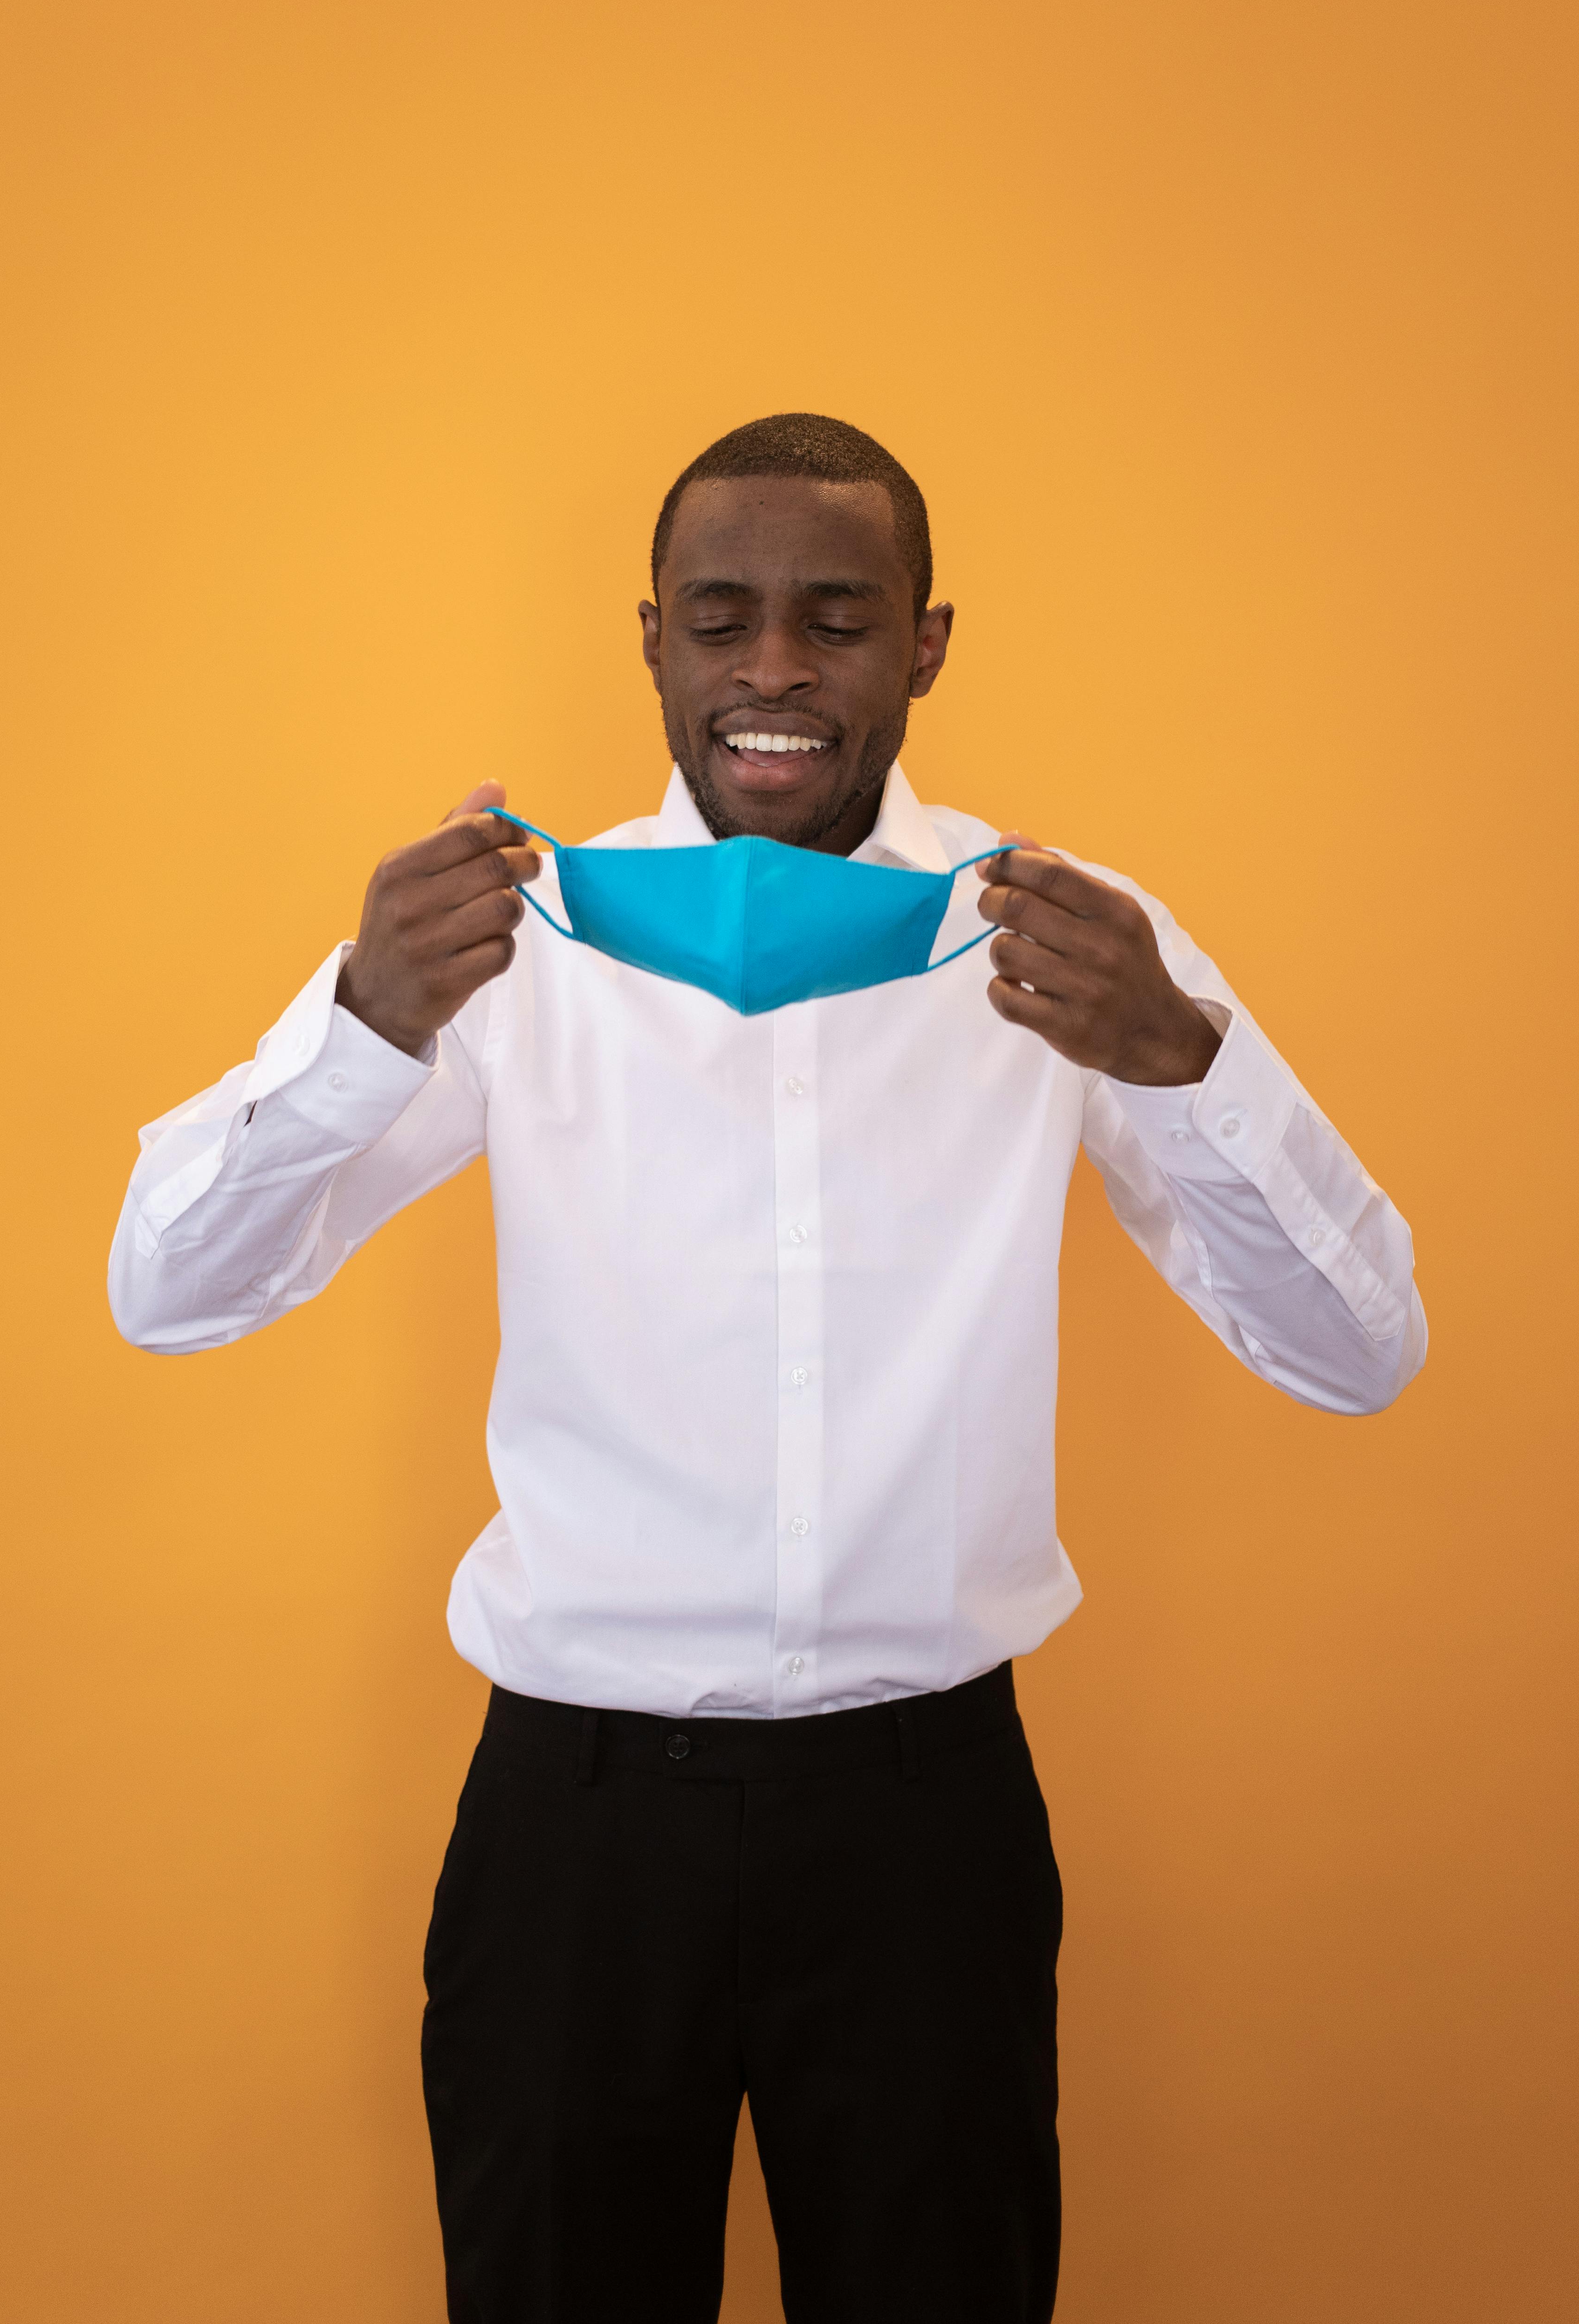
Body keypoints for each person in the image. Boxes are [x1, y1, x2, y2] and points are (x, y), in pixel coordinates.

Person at [110, 412, 1425, 2324]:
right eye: (722, 617)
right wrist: (362, 1027)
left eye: (839, 616)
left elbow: (1364, 1353)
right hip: (574, 1832)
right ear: (651, 639)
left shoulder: (1062, 942)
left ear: (929, 642)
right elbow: (171, 1289)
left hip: (927, 1828)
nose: (777, 670)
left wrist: (1187, 1063)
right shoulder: (506, 943)